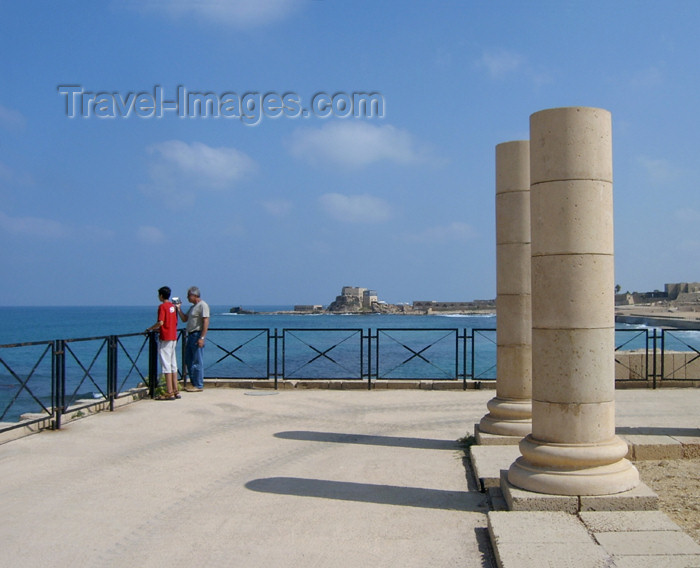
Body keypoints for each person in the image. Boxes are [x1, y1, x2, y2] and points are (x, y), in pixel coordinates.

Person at [146, 286, 180, 400]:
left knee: (166, 365)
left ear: (161, 296)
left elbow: (161, 322)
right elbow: (174, 322)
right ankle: (176, 390)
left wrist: (150, 328)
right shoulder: (173, 307)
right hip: (173, 337)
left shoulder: (162, 307)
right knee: (173, 364)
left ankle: (169, 391)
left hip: (165, 337)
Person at [177, 286, 209, 392]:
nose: (187, 298)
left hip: (197, 335)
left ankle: (198, 384)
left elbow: (205, 321)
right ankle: (193, 382)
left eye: (189, 295)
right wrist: (178, 309)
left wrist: (202, 337)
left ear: (195, 295)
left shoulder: (202, 305)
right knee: (188, 360)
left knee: (197, 361)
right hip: (190, 335)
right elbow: (184, 319)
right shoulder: (193, 307)